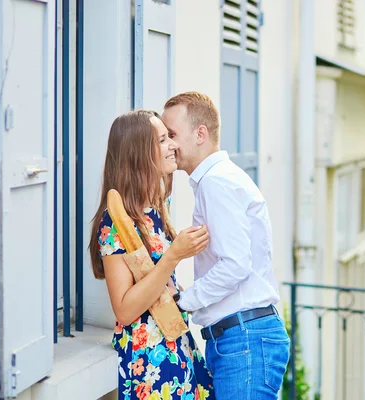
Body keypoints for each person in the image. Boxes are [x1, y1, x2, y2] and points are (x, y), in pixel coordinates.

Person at [162, 92, 290, 399]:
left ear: (201, 134)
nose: (168, 144)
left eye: (172, 134)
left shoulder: (216, 182)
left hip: (243, 340)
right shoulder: (218, 179)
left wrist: (183, 301)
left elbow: (235, 265)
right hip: (240, 339)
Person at [88, 110, 215, 400]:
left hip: (176, 346)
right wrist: (174, 256)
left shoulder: (155, 209)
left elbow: (157, 282)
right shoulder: (115, 221)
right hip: (149, 363)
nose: (172, 145)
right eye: (162, 140)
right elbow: (125, 309)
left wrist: (179, 292)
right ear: (138, 154)